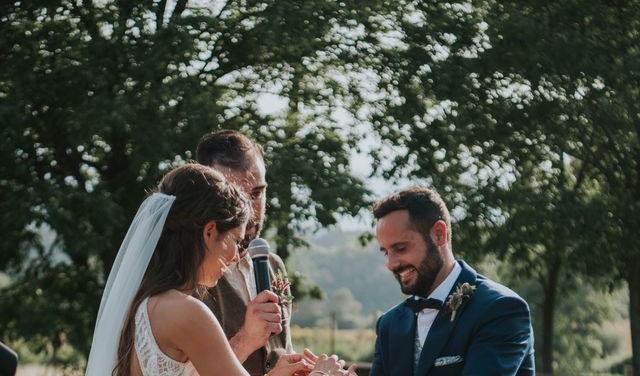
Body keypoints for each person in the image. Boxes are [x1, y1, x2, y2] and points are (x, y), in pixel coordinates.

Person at [85, 163, 352, 376]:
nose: (236, 255)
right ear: (210, 232)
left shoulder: (145, 304)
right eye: (235, 241)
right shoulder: (187, 311)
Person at [370, 187, 535, 376]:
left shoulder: (500, 309)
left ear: (439, 234)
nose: (391, 264)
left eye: (400, 248)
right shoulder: (389, 325)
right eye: (386, 252)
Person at [195, 130, 291, 375]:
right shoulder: (189, 271)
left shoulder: (273, 263)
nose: (251, 212)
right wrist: (246, 340)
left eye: (257, 194)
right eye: (235, 195)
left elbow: (281, 352)